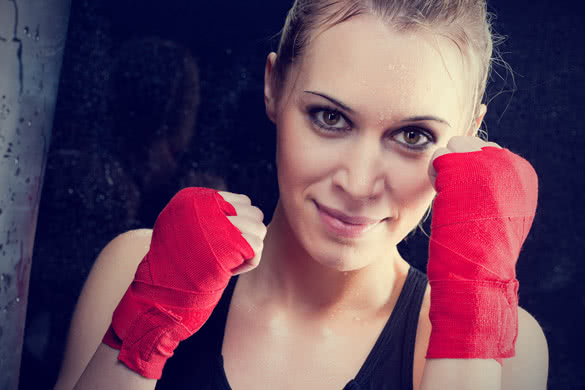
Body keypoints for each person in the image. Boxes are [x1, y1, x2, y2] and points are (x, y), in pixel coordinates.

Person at [54, 0, 549, 389]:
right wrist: (146, 325)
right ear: (274, 86)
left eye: (413, 135)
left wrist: (472, 322)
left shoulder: (509, 349)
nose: (357, 184)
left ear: (470, 136)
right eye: (330, 117)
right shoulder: (132, 270)